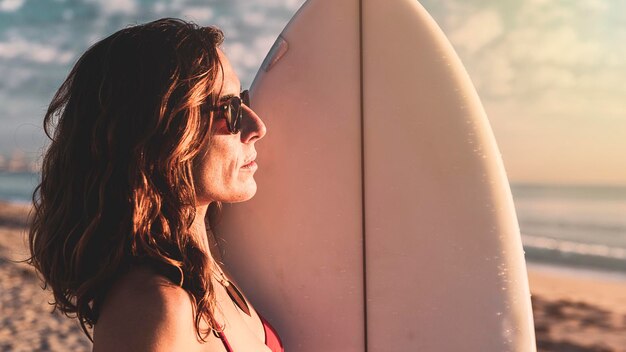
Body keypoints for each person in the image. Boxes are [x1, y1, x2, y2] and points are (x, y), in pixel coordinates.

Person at [28, 18, 282, 352]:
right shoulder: (151, 309)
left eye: (243, 98)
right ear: (161, 136)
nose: (257, 126)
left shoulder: (214, 265)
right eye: (229, 109)